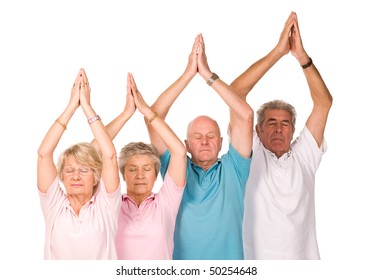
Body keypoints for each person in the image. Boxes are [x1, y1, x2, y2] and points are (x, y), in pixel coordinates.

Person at [230, 12, 333, 259]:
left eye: (285, 124)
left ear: (293, 130)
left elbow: (324, 103)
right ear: (258, 130)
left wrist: (302, 58)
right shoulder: (248, 154)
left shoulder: (304, 156)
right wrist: (278, 52)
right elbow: (234, 93)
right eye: (271, 122)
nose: (278, 129)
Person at [146, 34, 254, 259]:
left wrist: (206, 75)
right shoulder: (175, 168)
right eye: (197, 137)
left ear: (221, 143)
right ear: (185, 144)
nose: (205, 141)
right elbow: (152, 117)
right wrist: (188, 74)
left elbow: (245, 115)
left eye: (211, 136)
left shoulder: (234, 168)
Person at [92, 73, 187, 259]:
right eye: (133, 169)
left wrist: (145, 110)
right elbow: (92, 151)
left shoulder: (166, 202)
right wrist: (126, 114)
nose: (140, 175)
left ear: (156, 173)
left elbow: (179, 152)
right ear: (123, 174)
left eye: (147, 168)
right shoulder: (109, 203)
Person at [37, 68, 121, 259]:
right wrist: (71, 106)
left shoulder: (106, 205)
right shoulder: (54, 204)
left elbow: (109, 155)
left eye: (84, 170)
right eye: (69, 171)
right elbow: (44, 154)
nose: (76, 176)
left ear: (95, 178)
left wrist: (87, 108)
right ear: (61, 177)